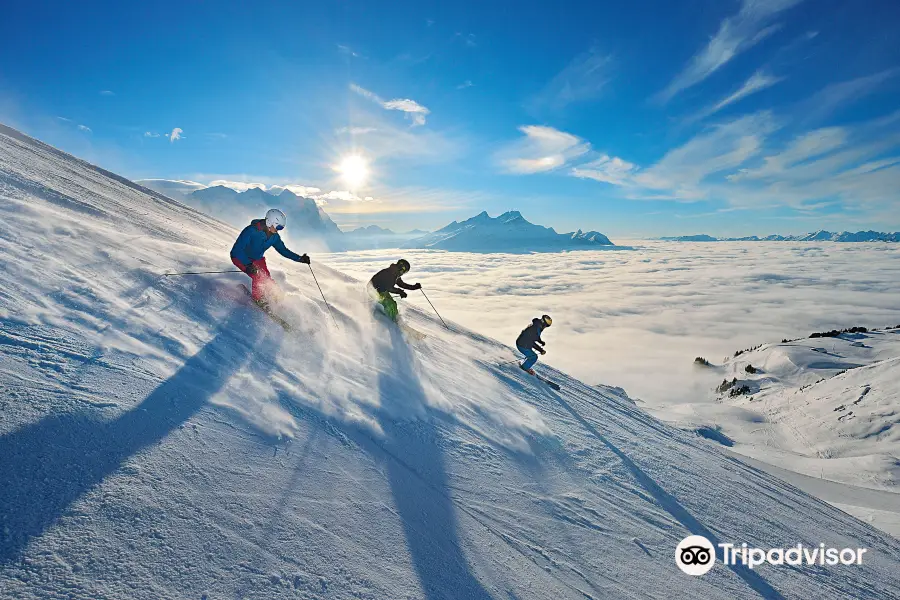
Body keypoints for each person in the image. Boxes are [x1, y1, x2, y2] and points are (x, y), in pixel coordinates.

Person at [230, 208, 309, 307]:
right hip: (241, 257)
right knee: (258, 276)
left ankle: (276, 297)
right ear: (269, 222)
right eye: (278, 227)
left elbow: (283, 250)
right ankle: (259, 300)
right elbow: (236, 251)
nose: (278, 230)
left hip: (257, 259)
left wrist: (300, 259)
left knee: (266, 278)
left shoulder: (274, 237)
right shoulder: (251, 231)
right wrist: (247, 265)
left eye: (281, 228)